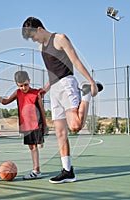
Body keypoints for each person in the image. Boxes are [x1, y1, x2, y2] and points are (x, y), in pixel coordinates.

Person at [22, 17, 103, 184]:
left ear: (39, 29)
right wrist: (45, 88)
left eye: (33, 36)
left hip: (67, 84)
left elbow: (75, 61)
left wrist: (92, 81)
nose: (33, 40)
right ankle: (68, 171)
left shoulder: (60, 39)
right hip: (55, 89)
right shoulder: (40, 48)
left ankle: (86, 92)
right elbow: (53, 72)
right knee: (60, 132)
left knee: (75, 126)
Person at [0, 71, 46, 180]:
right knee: (31, 147)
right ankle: (36, 168)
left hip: (36, 124)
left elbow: (42, 110)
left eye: (26, 85)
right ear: (17, 84)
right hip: (26, 125)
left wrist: (44, 125)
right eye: (21, 86)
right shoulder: (17, 93)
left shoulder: (36, 93)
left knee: (34, 146)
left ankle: (36, 171)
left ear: (29, 81)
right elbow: (5, 102)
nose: (24, 88)